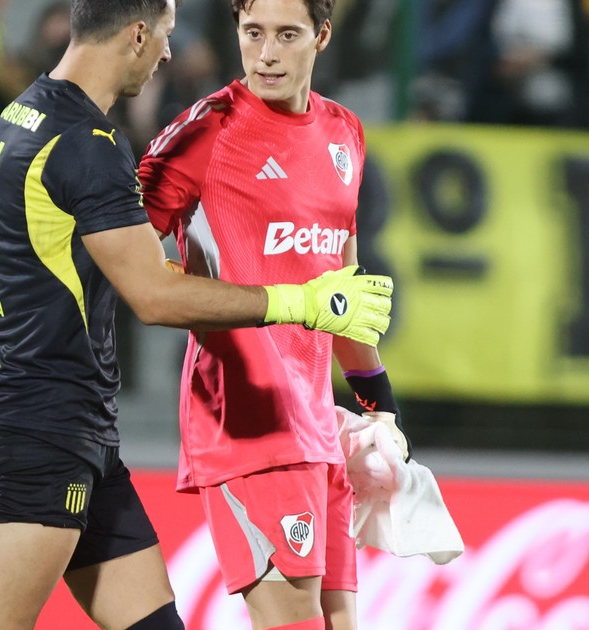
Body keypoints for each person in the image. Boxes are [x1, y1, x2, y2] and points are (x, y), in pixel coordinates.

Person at [0, 1, 393, 629]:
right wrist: (299, 303)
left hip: (82, 430)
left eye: (287, 34)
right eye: (169, 35)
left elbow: (59, 260)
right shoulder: (94, 144)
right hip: (45, 427)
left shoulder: (26, 115)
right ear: (139, 34)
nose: (171, 53)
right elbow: (149, 292)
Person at [138, 1, 410, 628]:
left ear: (322, 36)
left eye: (287, 35)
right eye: (252, 33)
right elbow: (111, 250)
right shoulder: (205, 132)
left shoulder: (345, 132)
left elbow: (343, 295)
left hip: (317, 425)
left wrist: (381, 405)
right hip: (246, 420)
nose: (266, 54)